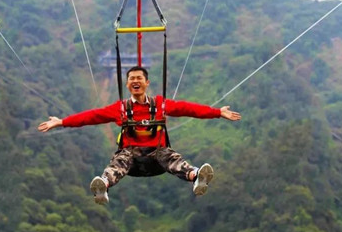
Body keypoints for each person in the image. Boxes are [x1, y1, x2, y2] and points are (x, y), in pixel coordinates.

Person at [38, 66, 241, 204]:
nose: (135, 81)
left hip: (156, 156)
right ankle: (103, 186)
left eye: (139, 78)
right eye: (132, 79)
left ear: (146, 83)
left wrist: (217, 112)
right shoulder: (121, 109)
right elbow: (93, 116)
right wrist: (61, 121)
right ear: (127, 85)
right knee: (121, 159)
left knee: (169, 156)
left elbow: (188, 109)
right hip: (132, 158)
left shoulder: (160, 104)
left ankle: (196, 176)